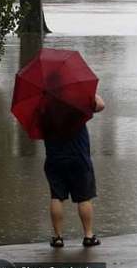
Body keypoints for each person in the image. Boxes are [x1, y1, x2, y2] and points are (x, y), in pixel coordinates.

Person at [41, 93, 105, 248]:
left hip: (54, 158)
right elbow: (101, 105)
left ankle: (57, 238)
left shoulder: (43, 106)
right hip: (78, 157)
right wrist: (90, 92)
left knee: (57, 196)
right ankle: (88, 236)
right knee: (84, 197)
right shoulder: (77, 101)